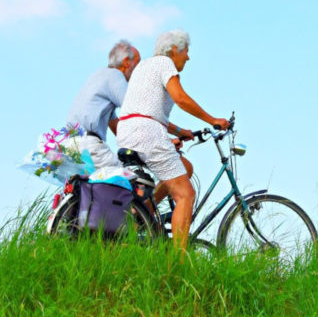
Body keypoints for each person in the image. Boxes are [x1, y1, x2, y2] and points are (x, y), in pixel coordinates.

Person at [117, 30, 230, 250]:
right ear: (175, 50)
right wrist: (212, 119)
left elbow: (145, 109)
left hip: (129, 131)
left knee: (184, 167)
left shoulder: (145, 67)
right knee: (185, 194)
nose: (188, 57)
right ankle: (176, 265)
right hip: (146, 132)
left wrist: (178, 131)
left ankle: (144, 213)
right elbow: (180, 98)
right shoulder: (165, 63)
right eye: (186, 52)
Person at [64, 40, 141, 168]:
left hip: (70, 146)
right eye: (138, 63)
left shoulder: (98, 76)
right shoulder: (115, 75)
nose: (139, 70)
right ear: (127, 61)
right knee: (130, 181)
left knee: (91, 186)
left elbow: (116, 125)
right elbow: (136, 110)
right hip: (88, 145)